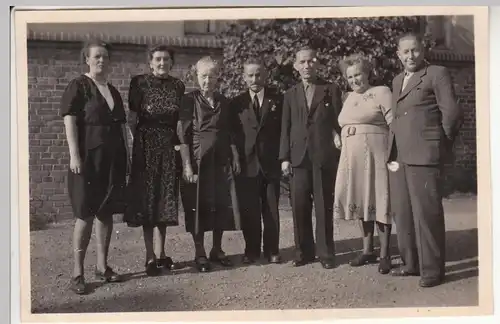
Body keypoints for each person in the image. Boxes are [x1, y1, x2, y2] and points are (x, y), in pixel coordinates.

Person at [387, 33, 463, 287]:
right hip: (398, 156)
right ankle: (411, 264)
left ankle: (432, 271)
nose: (411, 56)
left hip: (424, 155)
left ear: (423, 50)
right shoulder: (397, 79)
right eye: (405, 52)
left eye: (415, 50)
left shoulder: (436, 73)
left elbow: (451, 113)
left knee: (426, 214)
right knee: (404, 213)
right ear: (398, 55)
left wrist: (439, 145)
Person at [60, 39, 129, 294]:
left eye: (105, 57)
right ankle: (77, 273)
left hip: (112, 161)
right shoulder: (79, 85)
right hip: (87, 161)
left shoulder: (112, 90)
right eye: (97, 56)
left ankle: (102, 266)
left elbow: (121, 128)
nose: (101, 60)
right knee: (85, 214)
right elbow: (69, 120)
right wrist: (74, 155)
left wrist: (127, 159)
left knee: (105, 213)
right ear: (87, 60)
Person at [123, 45, 185, 276]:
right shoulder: (139, 83)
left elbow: (179, 121)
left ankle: (161, 254)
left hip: (169, 148)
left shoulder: (178, 86)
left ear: (171, 62)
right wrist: (139, 143)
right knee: (148, 202)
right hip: (146, 147)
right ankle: (149, 256)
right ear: (150, 62)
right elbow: (131, 119)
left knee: (164, 200)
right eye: (157, 59)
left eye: (166, 59)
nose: (162, 63)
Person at [279, 46, 343, 269]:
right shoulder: (289, 94)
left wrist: (338, 140)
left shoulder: (330, 90)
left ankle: (325, 254)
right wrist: (284, 157)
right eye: (302, 62)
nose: (307, 66)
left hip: (323, 156)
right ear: (296, 66)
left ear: (317, 64)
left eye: (311, 61)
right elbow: (285, 127)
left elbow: (337, 122)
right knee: (299, 206)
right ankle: (303, 252)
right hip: (298, 158)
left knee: (323, 206)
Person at [177, 56, 242, 273]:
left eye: (212, 76)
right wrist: (187, 165)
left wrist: (234, 156)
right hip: (198, 160)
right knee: (199, 206)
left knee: (220, 204)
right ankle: (200, 252)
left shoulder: (224, 101)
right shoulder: (189, 100)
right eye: (204, 76)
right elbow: (182, 136)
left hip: (221, 160)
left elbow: (230, 132)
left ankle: (217, 249)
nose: (207, 80)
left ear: (217, 78)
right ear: (197, 77)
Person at [333, 53, 393, 274]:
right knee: (361, 201)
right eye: (350, 76)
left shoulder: (381, 92)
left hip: (377, 156)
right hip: (352, 159)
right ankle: (368, 250)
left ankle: (385, 254)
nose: (355, 80)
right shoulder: (346, 97)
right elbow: (339, 123)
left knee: (380, 201)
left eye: (358, 74)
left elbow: (393, 123)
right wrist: (336, 135)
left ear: (367, 73)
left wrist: (393, 156)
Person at [231, 57, 283, 264]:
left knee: (271, 209)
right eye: (250, 75)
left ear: (265, 75)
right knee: (249, 209)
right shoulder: (236, 104)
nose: (255, 79)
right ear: (244, 78)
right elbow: (232, 134)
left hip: (271, 163)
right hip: (247, 163)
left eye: (258, 74)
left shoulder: (278, 100)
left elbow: (283, 131)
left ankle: (272, 250)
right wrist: (235, 157)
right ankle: (251, 250)